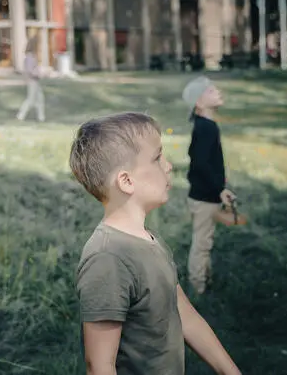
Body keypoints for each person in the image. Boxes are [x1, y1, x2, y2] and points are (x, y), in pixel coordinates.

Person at [71, 112, 241, 375]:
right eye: (157, 157)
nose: (169, 165)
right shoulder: (107, 259)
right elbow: (100, 365)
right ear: (126, 181)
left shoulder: (150, 240)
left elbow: (185, 314)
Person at [182, 76, 236, 295]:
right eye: (212, 91)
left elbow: (198, 157)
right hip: (205, 197)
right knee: (202, 243)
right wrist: (220, 189)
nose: (218, 92)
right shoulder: (206, 128)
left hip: (205, 194)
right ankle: (198, 288)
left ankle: (206, 279)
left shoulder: (206, 126)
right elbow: (201, 164)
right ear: (199, 103)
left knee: (206, 238)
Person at [16, 38, 45, 122]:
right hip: (32, 81)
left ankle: (41, 117)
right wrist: (39, 73)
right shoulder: (29, 57)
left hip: (35, 80)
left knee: (40, 98)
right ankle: (20, 115)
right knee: (31, 99)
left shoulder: (32, 56)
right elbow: (30, 70)